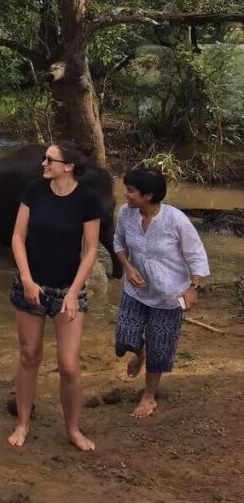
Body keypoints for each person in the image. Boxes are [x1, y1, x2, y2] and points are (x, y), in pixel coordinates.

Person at [8, 141, 101, 451]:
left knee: (69, 365)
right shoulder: (34, 190)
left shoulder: (87, 200)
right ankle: (22, 422)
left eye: (50, 159)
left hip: (67, 291)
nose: (43, 163)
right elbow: (18, 237)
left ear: (69, 166)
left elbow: (90, 250)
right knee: (29, 354)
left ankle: (73, 429)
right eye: (44, 159)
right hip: (31, 285)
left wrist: (74, 292)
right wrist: (26, 279)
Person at [113, 168, 210, 419]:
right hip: (135, 290)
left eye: (131, 191)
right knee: (124, 339)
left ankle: (148, 396)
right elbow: (118, 243)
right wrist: (127, 266)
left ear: (149, 195)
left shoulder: (175, 220)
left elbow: (196, 255)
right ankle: (139, 352)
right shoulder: (126, 214)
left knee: (160, 349)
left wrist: (193, 287)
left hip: (169, 296)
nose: (126, 195)